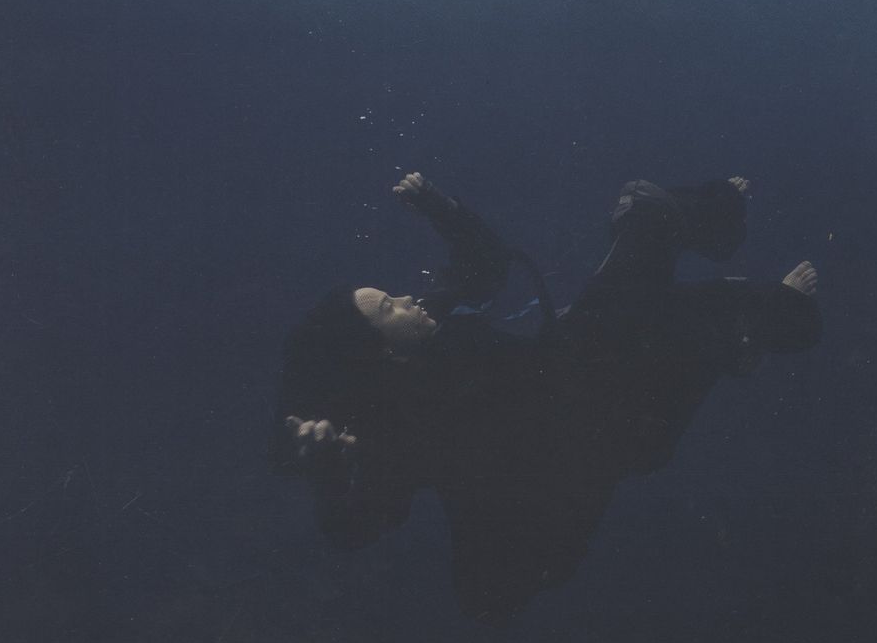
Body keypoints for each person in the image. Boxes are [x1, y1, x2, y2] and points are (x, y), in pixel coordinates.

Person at [274, 172, 820, 619]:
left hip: (578, 371)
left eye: (393, 295)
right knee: (490, 599)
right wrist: (327, 478)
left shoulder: (428, 326)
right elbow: (357, 527)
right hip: (580, 456)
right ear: (383, 353)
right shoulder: (402, 424)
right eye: (388, 307)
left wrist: (441, 208)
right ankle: (744, 329)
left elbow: (484, 263)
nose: (407, 298)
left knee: (645, 214)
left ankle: (733, 290)